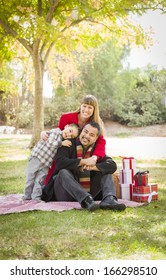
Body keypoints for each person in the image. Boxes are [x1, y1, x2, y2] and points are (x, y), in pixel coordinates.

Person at [41, 121, 126, 212]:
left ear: (95, 139)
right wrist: (83, 162)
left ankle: (109, 200)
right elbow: (59, 163)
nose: (86, 136)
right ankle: (86, 200)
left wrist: (92, 167)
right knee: (63, 172)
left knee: (105, 170)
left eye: (91, 135)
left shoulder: (96, 152)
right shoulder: (68, 143)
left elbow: (112, 165)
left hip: (89, 191)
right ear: (81, 132)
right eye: (85, 132)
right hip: (64, 192)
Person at [41, 94, 106, 184]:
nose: (86, 110)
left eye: (90, 107)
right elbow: (58, 132)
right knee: (52, 175)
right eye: (84, 106)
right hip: (66, 152)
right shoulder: (66, 117)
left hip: (82, 153)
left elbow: (101, 142)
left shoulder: (96, 123)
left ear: (94, 109)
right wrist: (45, 133)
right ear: (80, 106)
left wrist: (95, 157)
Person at [23, 123, 79, 200]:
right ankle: (26, 196)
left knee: (40, 180)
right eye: (70, 131)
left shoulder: (63, 141)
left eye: (71, 136)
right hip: (37, 158)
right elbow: (50, 143)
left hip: (47, 163)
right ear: (66, 126)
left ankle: (36, 198)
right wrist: (61, 143)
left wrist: (62, 143)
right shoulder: (56, 132)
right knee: (30, 178)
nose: (69, 134)